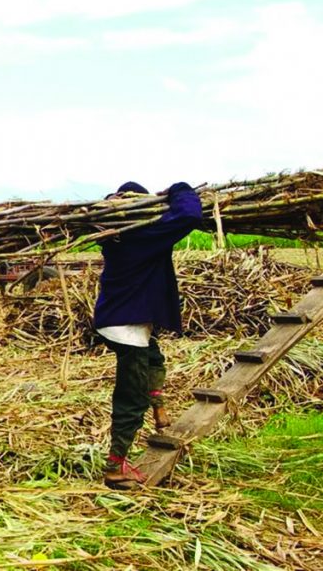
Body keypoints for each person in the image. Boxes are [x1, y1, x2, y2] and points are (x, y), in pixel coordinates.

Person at [94, 181, 202, 489]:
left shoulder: (117, 236)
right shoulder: (142, 237)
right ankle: (115, 468)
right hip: (126, 328)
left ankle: (160, 411)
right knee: (131, 398)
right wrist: (179, 188)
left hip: (118, 319)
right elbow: (190, 215)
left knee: (154, 359)